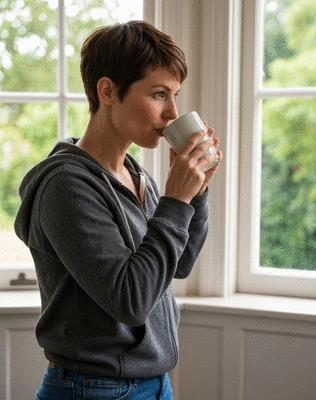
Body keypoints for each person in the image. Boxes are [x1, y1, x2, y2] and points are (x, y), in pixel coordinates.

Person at [14, 20, 221, 400]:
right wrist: (175, 201)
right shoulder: (66, 186)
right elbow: (131, 300)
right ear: (107, 90)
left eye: (175, 95)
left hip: (153, 385)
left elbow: (178, 264)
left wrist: (197, 192)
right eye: (159, 94)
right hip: (95, 390)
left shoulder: (136, 175)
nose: (173, 112)